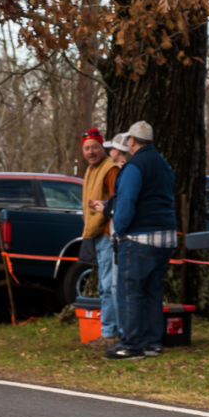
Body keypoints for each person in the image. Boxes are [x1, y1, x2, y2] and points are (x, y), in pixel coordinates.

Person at [106, 120, 176, 359]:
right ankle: (152, 342)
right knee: (152, 291)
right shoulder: (163, 164)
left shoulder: (135, 166)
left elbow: (126, 201)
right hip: (166, 236)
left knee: (130, 291)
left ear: (132, 142)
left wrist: (121, 230)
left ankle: (131, 344)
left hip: (139, 238)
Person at [80, 128, 121, 345]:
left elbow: (118, 202)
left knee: (109, 286)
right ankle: (110, 330)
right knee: (104, 285)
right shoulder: (91, 170)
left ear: (102, 146)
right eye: (87, 148)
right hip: (95, 233)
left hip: (108, 234)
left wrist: (103, 209)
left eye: (95, 147)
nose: (91, 151)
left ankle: (110, 333)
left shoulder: (109, 170)